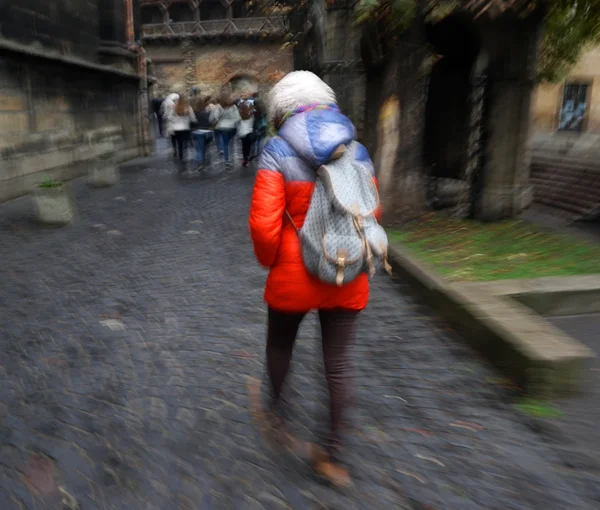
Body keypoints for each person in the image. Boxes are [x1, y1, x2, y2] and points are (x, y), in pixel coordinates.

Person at [248, 71, 381, 488]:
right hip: (346, 271)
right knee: (338, 366)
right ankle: (332, 457)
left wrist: (274, 261)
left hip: (293, 272)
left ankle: (276, 412)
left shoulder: (277, 150)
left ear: (281, 109)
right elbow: (370, 214)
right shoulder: (357, 150)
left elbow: (264, 225)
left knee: (280, 343)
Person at [211, 93, 241, 164]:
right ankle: (232, 158)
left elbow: (216, 117)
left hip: (222, 127)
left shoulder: (218, 106)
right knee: (231, 143)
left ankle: (226, 159)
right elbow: (238, 118)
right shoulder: (233, 107)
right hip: (232, 127)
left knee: (225, 143)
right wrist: (234, 122)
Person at [168, 95, 197, 164]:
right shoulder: (188, 107)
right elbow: (192, 117)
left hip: (177, 128)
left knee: (179, 143)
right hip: (185, 127)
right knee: (185, 142)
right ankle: (185, 155)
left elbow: (169, 117)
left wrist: (175, 120)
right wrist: (191, 120)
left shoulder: (174, 107)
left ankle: (181, 156)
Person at [191, 96, 214, 168]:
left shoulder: (194, 113)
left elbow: (192, 122)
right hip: (207, 131)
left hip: (197, 132)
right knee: (206, 147)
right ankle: (206, 160)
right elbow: (210, 122)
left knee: (199, 149)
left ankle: (200, 162)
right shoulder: (206, 113)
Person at [237, 99, 256, 167]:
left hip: (242, 133)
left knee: (244, 147)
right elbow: (253, 123)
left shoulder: (240, 116)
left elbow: (237, 123)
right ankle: (247, 156)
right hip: (249, 133)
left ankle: (245, 159)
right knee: (248, 147)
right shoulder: (251, 116)